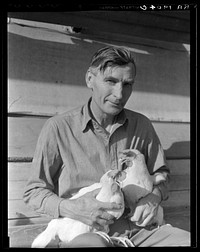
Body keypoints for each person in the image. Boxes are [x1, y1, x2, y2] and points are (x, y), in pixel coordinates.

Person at [23, 46, 190, 247]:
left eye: (127, 84)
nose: (119, 94)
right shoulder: (59, 128)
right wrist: (73, 208)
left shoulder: (142, 125)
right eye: (111, 81)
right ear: (89, 79)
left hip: (141, 232)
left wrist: (153, 198)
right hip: (86, 232)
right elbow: (34, 192)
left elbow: (162, 175)